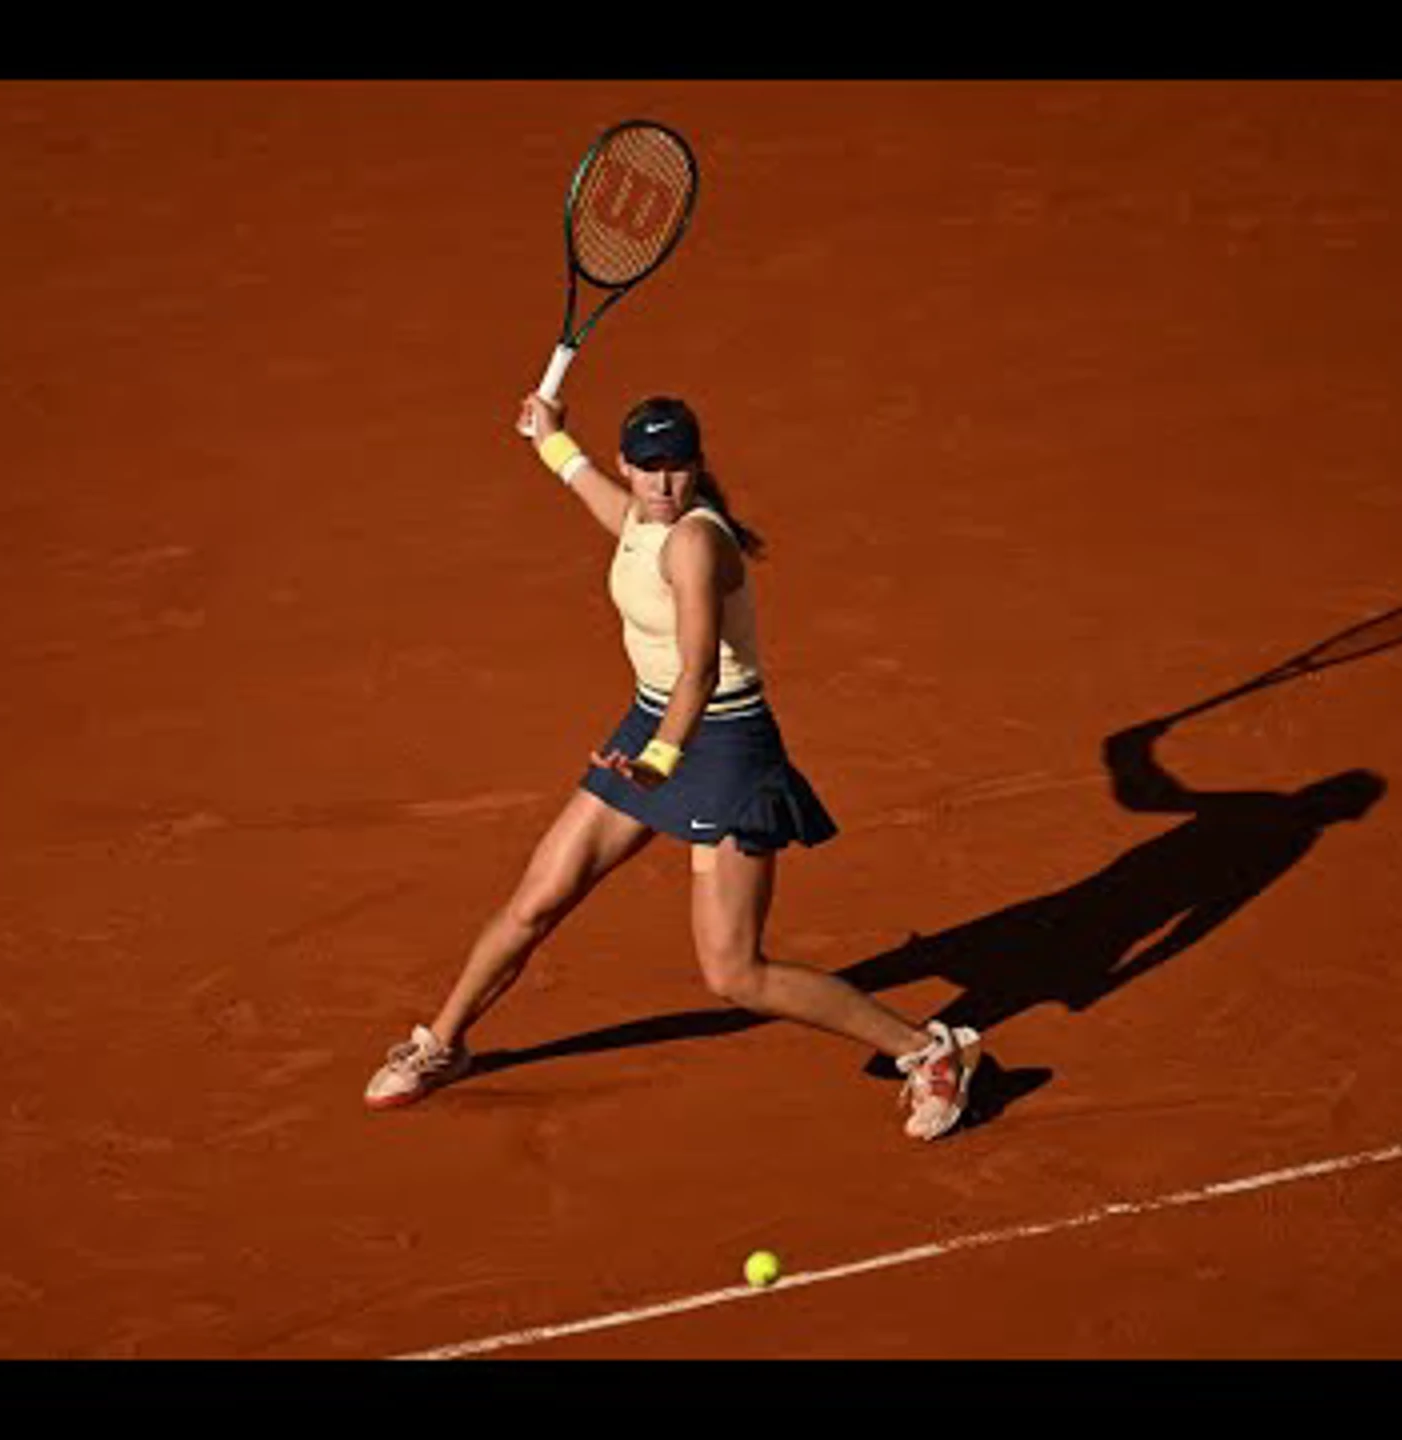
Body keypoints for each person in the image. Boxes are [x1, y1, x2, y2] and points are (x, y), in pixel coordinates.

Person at [363, 391, 983, 1140]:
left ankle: (929, 1049)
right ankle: (442, 1044)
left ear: (697, 466)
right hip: (653, 725)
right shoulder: (633, 515)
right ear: (630, 465)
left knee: (733, 974)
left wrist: (660, 760)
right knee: (539, 896)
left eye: (678, 467)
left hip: (722, 750)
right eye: (648, 467)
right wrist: (548, 437)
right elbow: (582, 480)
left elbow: (700, 672)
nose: (662, 484)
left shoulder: (695, 543)